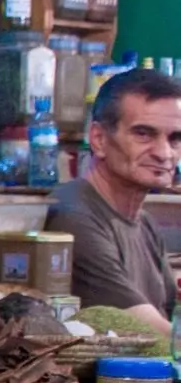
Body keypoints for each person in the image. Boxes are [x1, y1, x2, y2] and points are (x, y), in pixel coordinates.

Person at [44, 67, 181, 329]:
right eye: (144, 134)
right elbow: (152, 332)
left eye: (175, 138)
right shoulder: (73, 216)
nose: (164, 154)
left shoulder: (144, 222)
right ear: (98, 139)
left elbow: (171, 317)